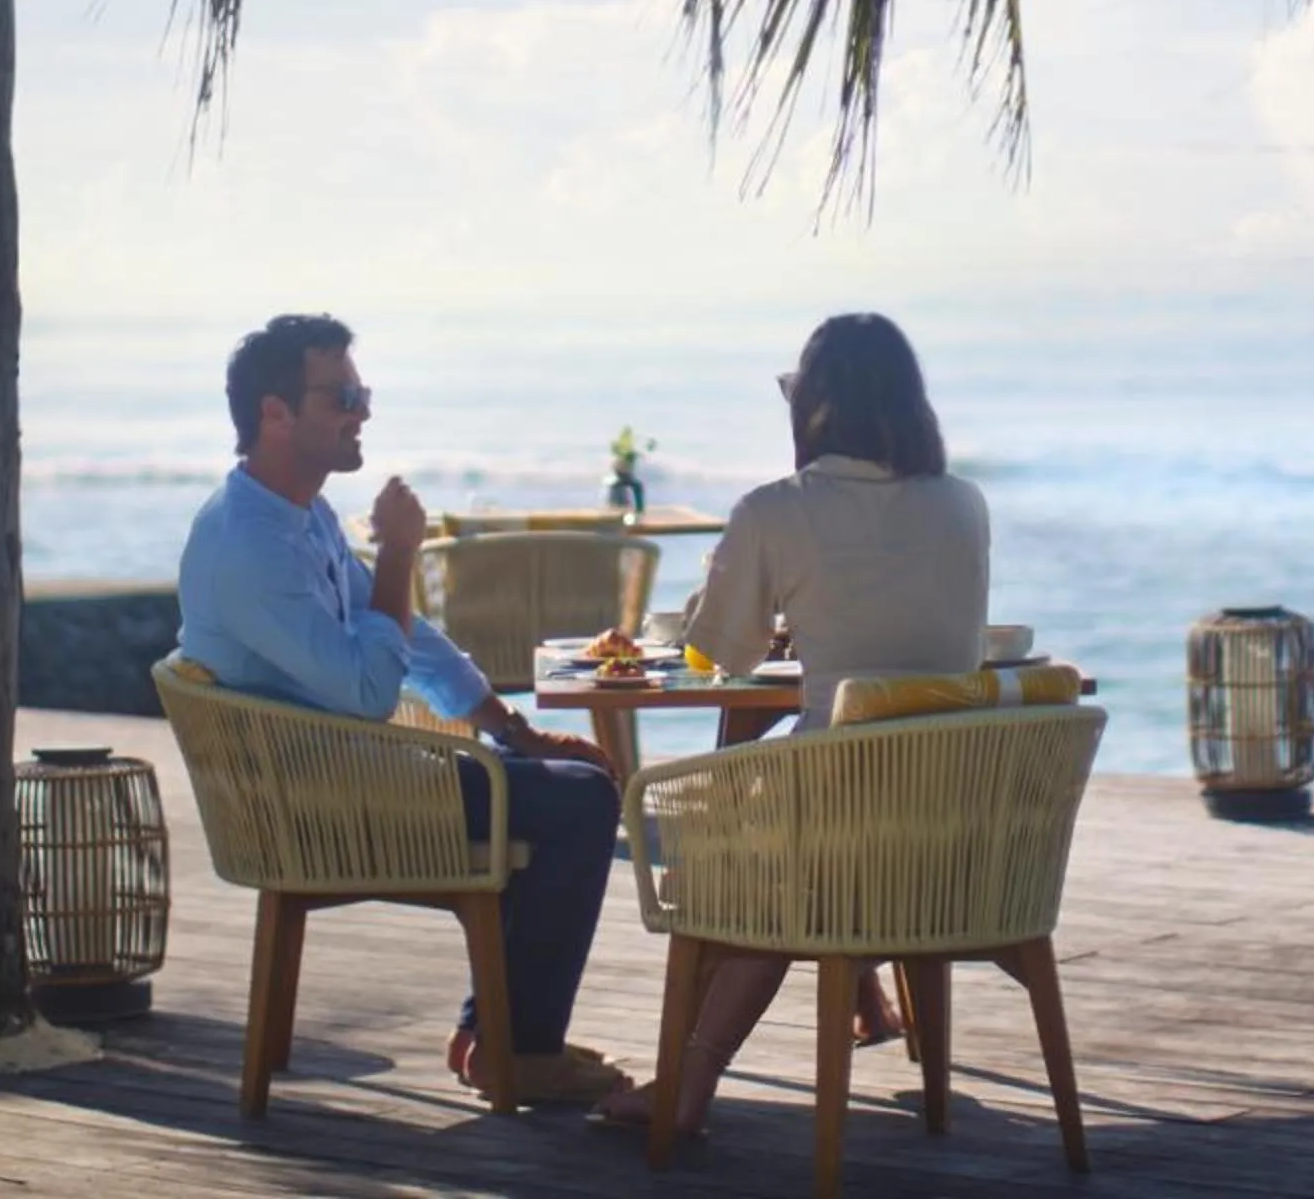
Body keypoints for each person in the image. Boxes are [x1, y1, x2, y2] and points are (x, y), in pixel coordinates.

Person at [177, 313, 629, 1107]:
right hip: (313, 799)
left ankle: (493, 1033)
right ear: (276, 414)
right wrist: (399, 553)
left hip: (350, 769)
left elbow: (403, 639)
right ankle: (518, 1050)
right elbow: (366, 688)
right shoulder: (248, 544)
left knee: (551, 772)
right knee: (581, 800)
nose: (363, 411)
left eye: (364, 392)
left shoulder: (298, 514)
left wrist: (511, 729)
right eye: (343, 395)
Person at [598, 311, 989, 1137]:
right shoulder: (964, 505)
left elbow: (717, 658)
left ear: (811, 408)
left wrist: (729, 585)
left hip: (833, 812)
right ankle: (869, 996)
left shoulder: (777, 511)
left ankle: (686, 1085)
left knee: (740, 845)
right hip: (954, 819)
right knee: (799, 811)